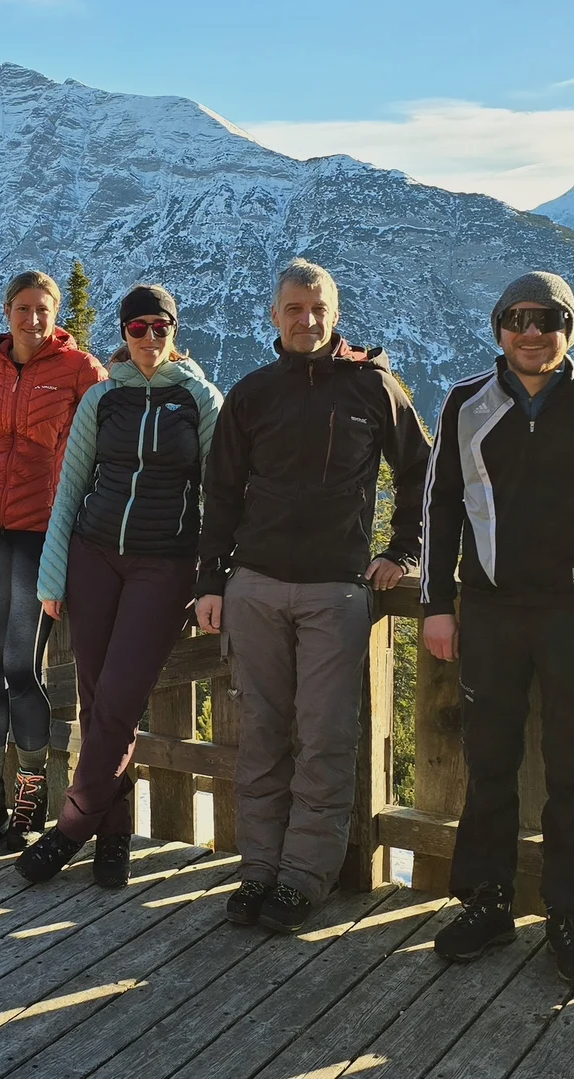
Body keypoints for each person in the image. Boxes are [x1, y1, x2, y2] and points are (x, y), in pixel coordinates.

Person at [419, 271, 574, 989]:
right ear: (499, 327)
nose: (532, 330)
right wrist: (436, 601)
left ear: (570, 329)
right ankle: (486, 902)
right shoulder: (467, 400)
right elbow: (441, 507)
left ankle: (571, 912)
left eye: (548, 318)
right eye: (517, 317)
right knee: (488, 760)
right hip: (489, 609)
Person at [195, 258, 431, 933]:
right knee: (262, 736)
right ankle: (257, 870)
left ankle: (303, 878)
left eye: (319, 308)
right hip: (255, 588)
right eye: (295, 308)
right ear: (274, 316)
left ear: (335, 313)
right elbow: (220, 493)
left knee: (325, 737)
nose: (308, 319)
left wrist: (401, 551)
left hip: (335, 591)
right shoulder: (252, 394)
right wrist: (210, 581)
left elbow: (421, 468)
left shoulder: (371, 386)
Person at [17, 284, 223, 888]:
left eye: (162, 327)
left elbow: (221, 495)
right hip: (93, 560)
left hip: (165, 567)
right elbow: (70, 489)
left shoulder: (201, 400)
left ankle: (71, 828)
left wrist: (213, 577)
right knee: (96, 702)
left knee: (118, 701)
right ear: (125, 333)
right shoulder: (102, 400)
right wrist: (53, 573)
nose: (151, 338)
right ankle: (114, 840)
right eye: (139, 328)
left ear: (175, 331)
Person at [0, 271, 107, 859]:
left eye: (43, 309)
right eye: (23, 308)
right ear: (7, 310)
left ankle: (30, 797)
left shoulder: (79, 370)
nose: (32, 319)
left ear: (56, 313)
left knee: (21, 664)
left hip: (44, 533)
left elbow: (100, 443)